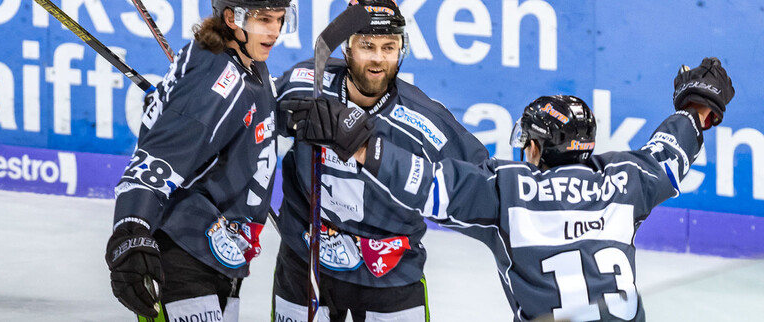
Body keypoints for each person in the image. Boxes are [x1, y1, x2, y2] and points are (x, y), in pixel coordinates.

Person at [287, 57, 734, 321]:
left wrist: (360, 144)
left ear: (537, 147)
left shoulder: (508, 190)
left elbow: (424, 185)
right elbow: (671, 152)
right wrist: (699, 107)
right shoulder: (627, 180)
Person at [273, 0, 489, 321]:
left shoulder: (425, 120)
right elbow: (250, 122)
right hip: (306, 264)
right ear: (347, 48)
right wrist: (281, 118)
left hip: (389, 277)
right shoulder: (305, 84)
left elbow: (483, 185)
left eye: (388, 47)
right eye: (367, 46)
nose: (378, 59)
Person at [104, 0, 296, 321]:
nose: (274, 31)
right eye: (263, 19)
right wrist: (130, 232)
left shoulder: (245, 62)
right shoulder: (219, 80)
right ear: (231, 18)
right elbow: (156, 160)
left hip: (219, 254)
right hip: (185, 254)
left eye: (279, 18)